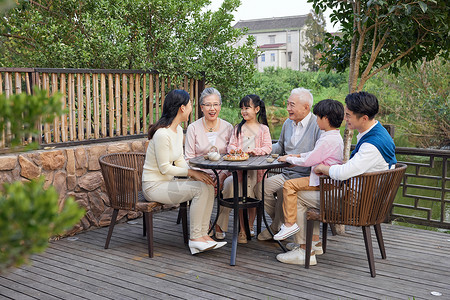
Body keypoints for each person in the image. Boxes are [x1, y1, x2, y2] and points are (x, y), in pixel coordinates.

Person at [276, 91, 397, 265]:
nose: (344, 118)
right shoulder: (379, 133)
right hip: (368, 199)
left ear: (363, 117)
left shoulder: (372, 145)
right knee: (303, 190)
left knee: (298, 196)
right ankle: (315, 243)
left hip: (357, 203)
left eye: (348, 115)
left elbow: (343, 173)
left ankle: (305, 251)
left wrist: (322, 168)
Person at [142, 89, 226, 255]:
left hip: (167, 183)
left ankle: (204, 235)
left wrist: (198, 175)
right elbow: (164, 168)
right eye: (190, 105)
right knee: (199, 189)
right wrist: (192, 174)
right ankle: (195, 238)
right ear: (182, 108)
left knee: (206, 185)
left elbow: (180, 160)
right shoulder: (162, 134)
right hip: (153, 186)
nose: (191, 108)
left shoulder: (178, 130)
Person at [254, 88, 321, 242]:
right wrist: (263, 150)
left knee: (285, 192)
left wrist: (293, 159)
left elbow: (318, 155)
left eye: (292, 105)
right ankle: (280, 223)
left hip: (306, 177)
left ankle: (276, 228)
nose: (288, 109)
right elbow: (280, 147)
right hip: (287, 174)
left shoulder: (317, 125)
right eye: (288, 104)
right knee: (260, 188)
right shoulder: (287, 124)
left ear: (306, 107)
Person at [274, 99, 344, 241]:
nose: (316, 120)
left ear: (325, 119)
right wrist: (295, 155)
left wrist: (289, 159)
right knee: (291, 186)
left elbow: (309, 160)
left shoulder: (327, 139)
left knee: (289, 185)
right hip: (323, 179)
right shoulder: (332, 136)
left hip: (322, 181)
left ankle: (289, 223)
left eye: (318, 117)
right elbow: (313, 155)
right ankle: (312, 241)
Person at [222, 94, 272, 243]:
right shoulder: (238, 128)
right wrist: (235, 150)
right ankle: (242, 230)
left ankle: (250, 225)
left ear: (256, 109)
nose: (244, 111)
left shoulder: (263, 129)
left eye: (247, 108)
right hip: (240, 170)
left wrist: (254, 151)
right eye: (242, 108)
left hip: (257, 171)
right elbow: (230, 145)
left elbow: (268, 147)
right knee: (241, 196)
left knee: (253, 197)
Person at [184, 87, 234, 240]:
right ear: (201, 108)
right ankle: (204, 226)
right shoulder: (193, 128)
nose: (212, 109)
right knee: (205, 185)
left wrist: (222, 176)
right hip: (200, 174)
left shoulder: (228, 127)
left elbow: (232, 156)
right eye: (208, 105)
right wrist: (201, 175)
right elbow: (188, 159)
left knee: (232, 184)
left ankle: (220, 223)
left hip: (223, 174)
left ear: (220, 106)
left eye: (216, 104)